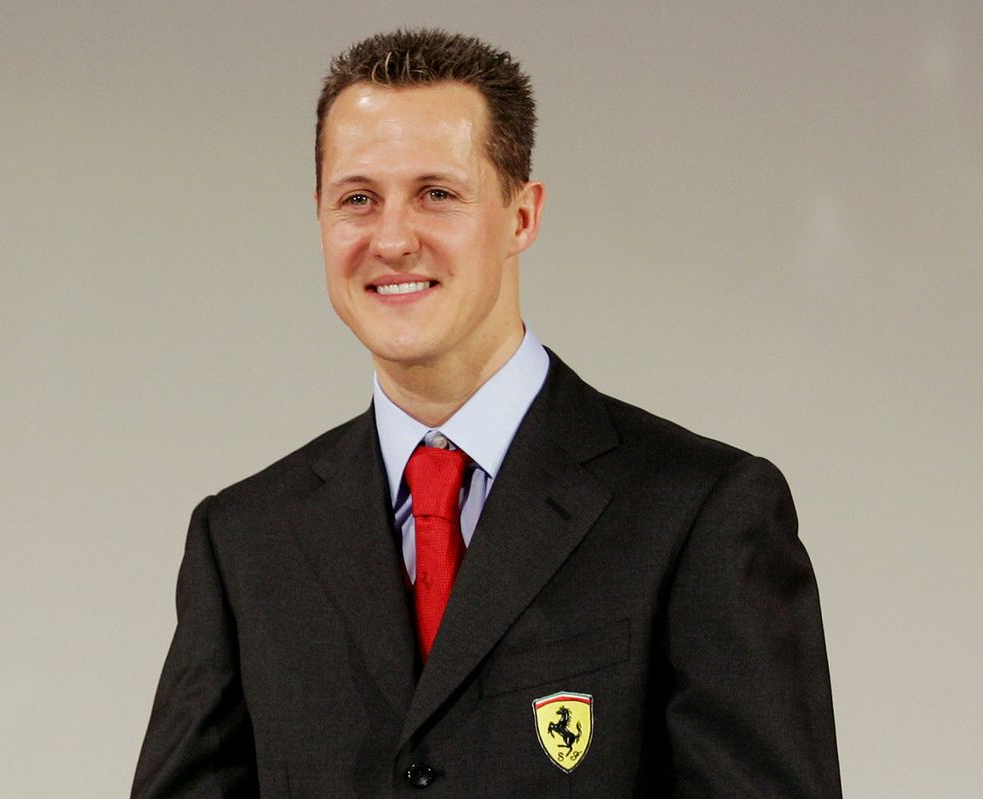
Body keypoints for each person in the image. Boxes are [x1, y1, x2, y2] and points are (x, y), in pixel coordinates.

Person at [132, 29, 841, 798]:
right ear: (319, 216)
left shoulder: (700, 512)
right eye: (358, 198)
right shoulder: (243, 543)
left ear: (521, 216)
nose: (393, 238)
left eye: (437, 193)